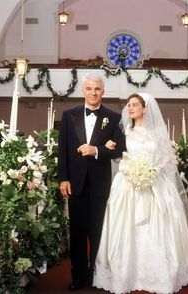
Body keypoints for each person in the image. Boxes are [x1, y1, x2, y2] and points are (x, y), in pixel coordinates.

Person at [93, 93, 188, 294]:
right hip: (128, 184)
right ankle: (125, 272)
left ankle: (161, 272)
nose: (130, 108)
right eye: (129, 105)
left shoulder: (157, 133)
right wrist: (131, 169)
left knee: (159, 227)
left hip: (154, 184)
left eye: (135, 105)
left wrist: (152, 171)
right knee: (125, 226)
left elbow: (167, 159)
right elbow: (118, 157)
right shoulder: (124, 132)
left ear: (145, 108)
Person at [58, 73, 126, 291]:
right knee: (77, 232)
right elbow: (63, 150)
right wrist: (63, 178)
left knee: (98, 231)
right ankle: (77, 275)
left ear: (102, 92)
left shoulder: (113, 118)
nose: (93, 93)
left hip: (100, 183)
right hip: (74, 182)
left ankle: (95, 275)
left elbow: (121, 148)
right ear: (83, 91)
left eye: (97, 89)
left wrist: (97, 150)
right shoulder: (69, 115)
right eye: (89, 89)